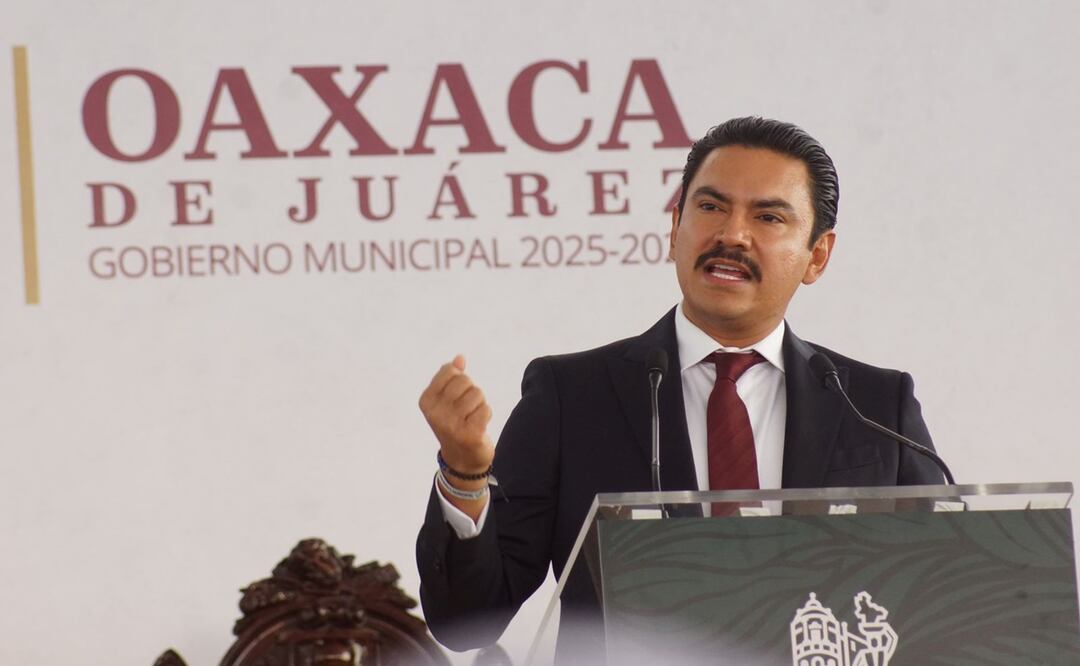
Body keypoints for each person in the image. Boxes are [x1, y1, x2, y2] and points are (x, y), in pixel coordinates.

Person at [415, 117, 944, 655]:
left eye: (767, 216)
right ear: (675, 229)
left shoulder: (875, 407)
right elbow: (468, 621)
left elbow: (948, 596)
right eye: (711, 208)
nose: (732, 235)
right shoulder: (571, 397)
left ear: (817, 256)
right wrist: (464, 474)